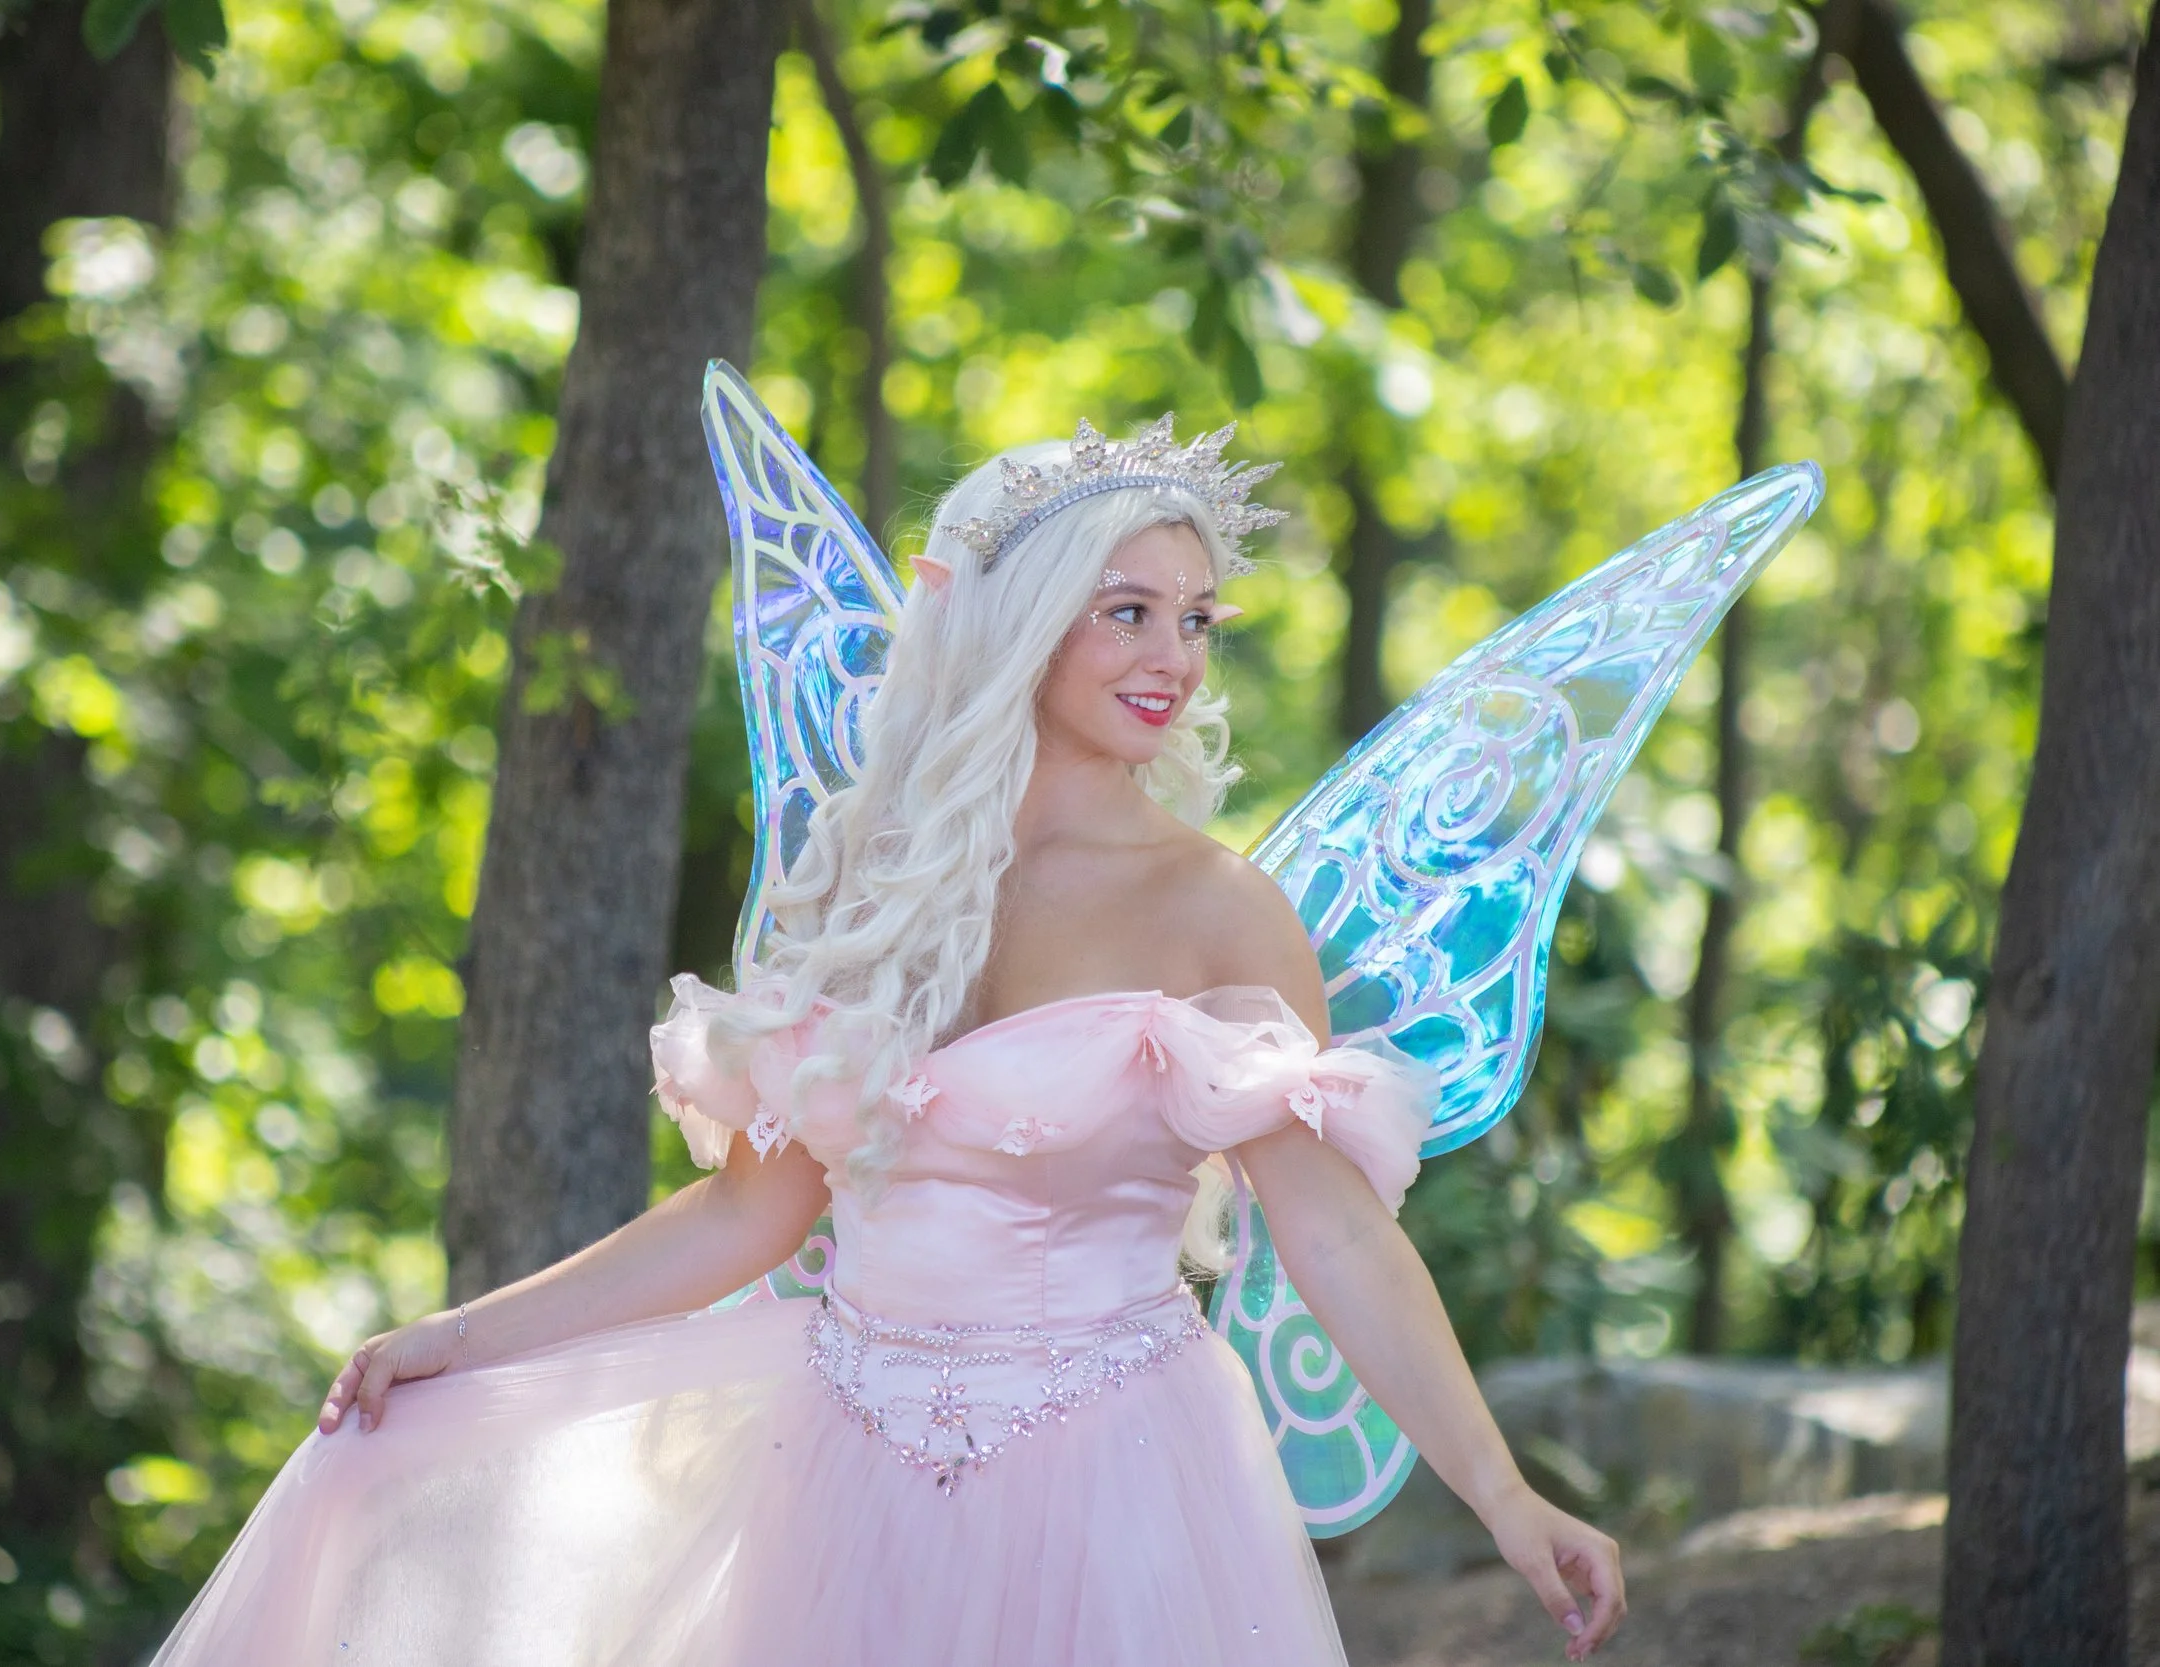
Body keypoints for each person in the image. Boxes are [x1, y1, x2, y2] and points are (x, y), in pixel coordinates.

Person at [148, 422, 1628, 1666]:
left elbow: (1339, 1238)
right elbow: (748, 1210)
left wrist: (1504, 1495)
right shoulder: (878, 883)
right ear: (1021, 616)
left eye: (1195, 616)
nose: (1172, 652)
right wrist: (454, 1340)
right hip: (839, 1466)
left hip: (1108, 1480)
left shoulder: (1215, 907)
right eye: (1127, 608)